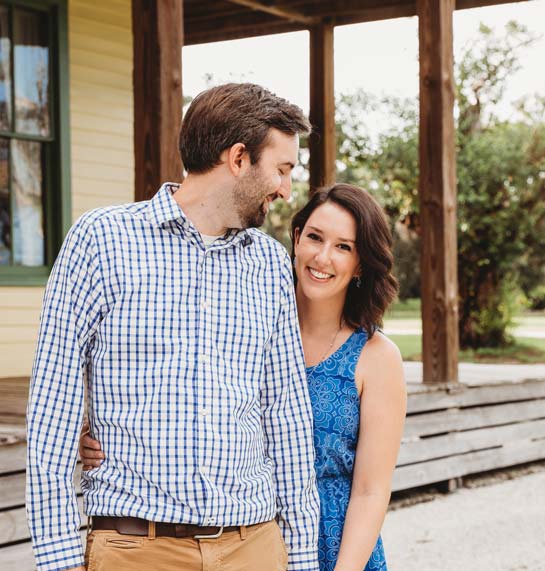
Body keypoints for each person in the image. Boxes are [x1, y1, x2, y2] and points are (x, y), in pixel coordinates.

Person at [26, 83, 320, 571]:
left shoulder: (269, 263)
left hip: (254, 546)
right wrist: (58, 560)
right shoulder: (101, 241)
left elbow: (286, 415)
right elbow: (51, 412)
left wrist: (303, 557)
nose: (287, 188)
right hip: (137, 549)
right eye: (283, 169)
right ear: (239, 158)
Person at [81, 183, 407, 571]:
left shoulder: (376, 357)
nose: (323, 257)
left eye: (344, 247)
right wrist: (107, 437)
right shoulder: (243, 321)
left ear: (362, 264)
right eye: (315, 238)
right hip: (247, 537)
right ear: (297, 237)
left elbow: (371, 491)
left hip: (333, 543)